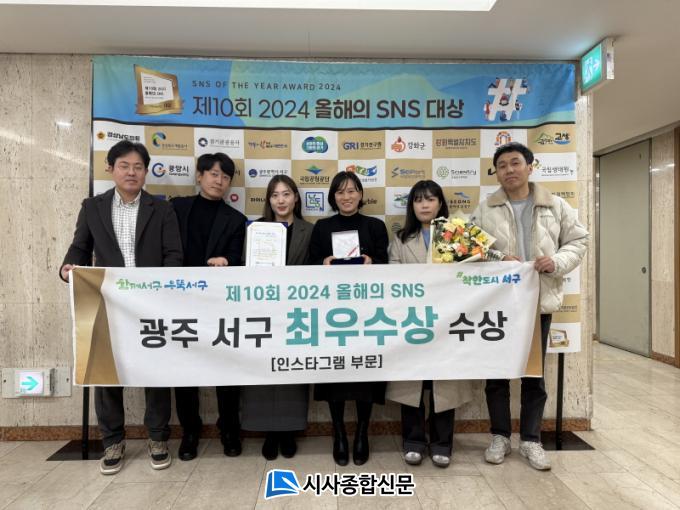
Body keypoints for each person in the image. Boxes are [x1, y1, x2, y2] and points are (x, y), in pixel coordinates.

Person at [60, 140, 183, 475]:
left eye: (138, 167)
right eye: (125, 166)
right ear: (111, 169)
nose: (131, 172)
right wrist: (68, 268)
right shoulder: (92, 207)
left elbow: (173, 255)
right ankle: (112, 442)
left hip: (151, 305)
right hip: (108, 303)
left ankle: (158, 439)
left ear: (146, 172)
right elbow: (79, 248)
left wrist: (162, 288)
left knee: (156, 374)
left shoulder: (162, 209)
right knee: (107, 374)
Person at [470, 142, 588, 471]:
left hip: (537, 304)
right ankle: (500, 437)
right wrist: (498, 257)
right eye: (502, 165)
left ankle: (531, 440)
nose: (509, 170)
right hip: (498, 305)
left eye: (515, 163)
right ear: (496, 173)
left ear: (530, 167)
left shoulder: (555, 205)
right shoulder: (485, 209)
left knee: (533, 376)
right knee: (496, 375)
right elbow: (469, 249)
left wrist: (557, 262)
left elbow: (579, 240)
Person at [385, 180, 474, 468]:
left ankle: (441, 443)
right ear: (411, 206)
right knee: (411, 383)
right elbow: (393, 278)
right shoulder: (400, 238)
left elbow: (470, 276)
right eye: (418, 200)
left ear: (440, 203)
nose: (424, 205)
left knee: (443, 384)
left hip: (448, 318)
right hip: (412, 320)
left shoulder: (457, 235)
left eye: (430, 199)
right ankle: (413, 441)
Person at [169, 152, 247, 461]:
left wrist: (227, 260)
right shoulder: (176, 208)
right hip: (180, 302)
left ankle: (229, 428)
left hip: (219, 304)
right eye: (214, 174)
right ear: (199, 175)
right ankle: (190, 430)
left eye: (225, 176)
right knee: (184, 371)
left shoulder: (236, 220)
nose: (219, 180)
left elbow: (240, 258)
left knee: (226, 369)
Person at [309, 170, 389, 466]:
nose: (346, 196)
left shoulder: (375, 226)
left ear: (361, 194)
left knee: (366, 375)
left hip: (368, 313)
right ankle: (339, 433)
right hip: (332, 313)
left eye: (352, 190)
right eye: (340, 191)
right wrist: (324, 263)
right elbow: (310, 265)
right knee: (335, 375)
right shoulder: (322, 227)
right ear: (333, 197)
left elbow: (387, 265)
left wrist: (371, 262)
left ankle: (362, 432)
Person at [241, 175, 313, 460]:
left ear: (296, 198)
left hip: (296, 312)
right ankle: (268, 431)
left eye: (286, 194)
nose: (281, 200)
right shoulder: (256, 229)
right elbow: (245, 267)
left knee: (291, 372)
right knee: (263, 371)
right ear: (268, 200)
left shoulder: (310, 230)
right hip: (262, 310)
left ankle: (289, 430)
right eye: (275, 195)